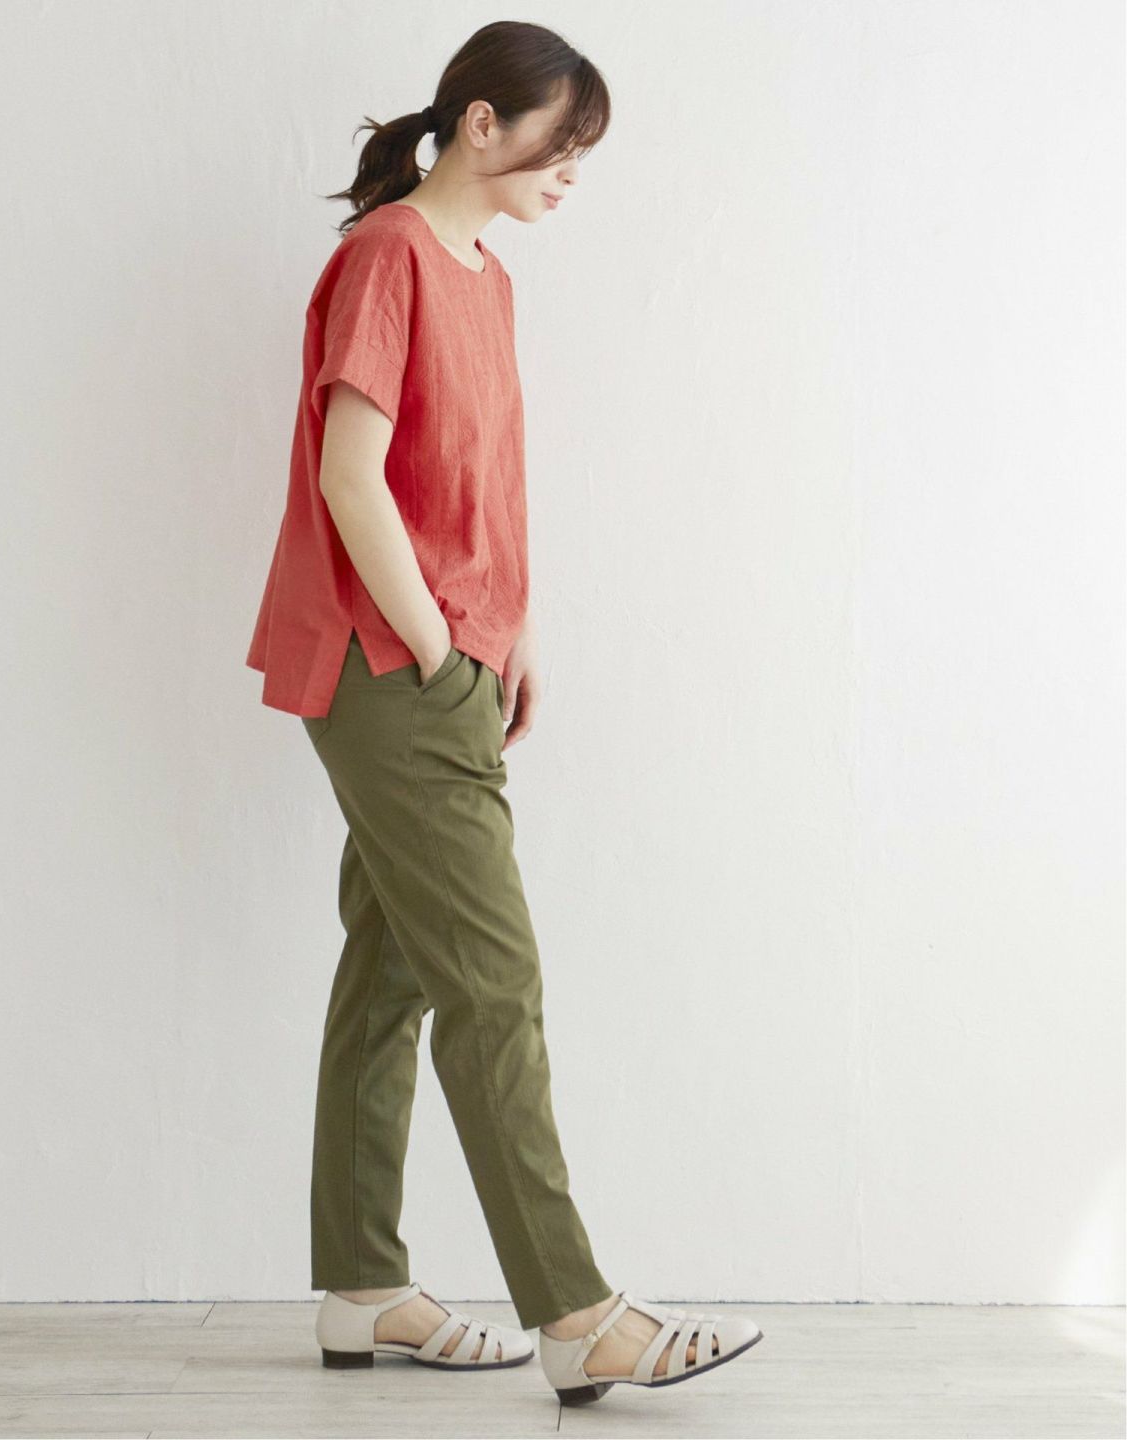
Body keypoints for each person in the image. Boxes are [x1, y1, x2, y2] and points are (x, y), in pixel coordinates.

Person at [245, 19, 764, 1407]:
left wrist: (511, 627)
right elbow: (353, 477)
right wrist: (436, 649)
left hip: (451, 661)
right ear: (481, 122)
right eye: (560, 143)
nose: (573, 171)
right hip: (391, 664)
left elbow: (473, 476)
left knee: (395, 971)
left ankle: (362, 1289)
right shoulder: (388, 258)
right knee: (495, 983)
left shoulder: (486, 276)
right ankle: (577, 1315)